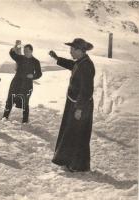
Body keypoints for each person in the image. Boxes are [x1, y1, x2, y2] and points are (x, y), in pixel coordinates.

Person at [49, 38, 95, 172]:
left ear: (80, 50)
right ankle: (69, 162)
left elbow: (86, 90)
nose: (70, 52)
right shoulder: (81, 62)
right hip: (74, 103)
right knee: (70, 132)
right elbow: (71, 65)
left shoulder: (86, 66)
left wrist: (79, 109)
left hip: (81, 105)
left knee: (78, 134)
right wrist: (57, 58)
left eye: (72, 50)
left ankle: (77, 165)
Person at [3, 43, 42, 123]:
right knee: (10, 100)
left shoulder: (36, 62)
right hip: (16, 83)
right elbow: (12, 54)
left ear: (31, 51)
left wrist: (33, 76)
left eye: (27, 51)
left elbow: (39, 74)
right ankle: (5, 117)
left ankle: (25, 121)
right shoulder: (20, 58)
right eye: (24, 51)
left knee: (25, 102)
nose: (25, 53)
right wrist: (13, 48)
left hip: (26, 85)